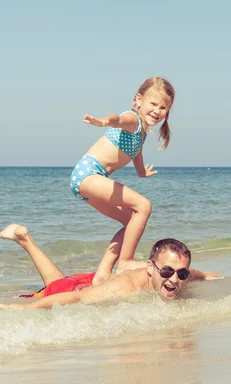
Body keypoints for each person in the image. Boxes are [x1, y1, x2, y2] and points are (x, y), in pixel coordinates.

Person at [0, 224, 223, 309]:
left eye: (180, 273)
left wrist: (204, 275)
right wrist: (31, 308)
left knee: (58, 282)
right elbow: (76, 300)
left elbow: (190, 272)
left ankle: (26, 240)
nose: (174, 280)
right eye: (166, 272)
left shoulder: (178, 275)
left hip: (80, 282)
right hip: (79, 290)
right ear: (150, 268)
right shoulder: (126, 285)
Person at [73, 77, 175, 286]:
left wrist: (141, 172)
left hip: (86, 181)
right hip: (88, 175)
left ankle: (103, 273)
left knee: (130, 222)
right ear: (139, 99)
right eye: (153, 104)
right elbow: (118, 119)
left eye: (163, 107)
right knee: (143, 205)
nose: (157, 110)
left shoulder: (141, 132)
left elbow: (136, 153)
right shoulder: (133, 120)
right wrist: (103, 122)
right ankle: (126, 262)